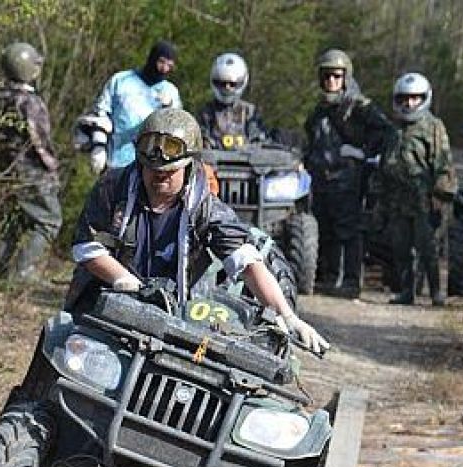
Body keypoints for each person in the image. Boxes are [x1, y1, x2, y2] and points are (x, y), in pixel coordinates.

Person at [63, 107, 329, 355]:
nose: (160, 177)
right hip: (105, 300)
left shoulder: (208, 209)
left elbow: (246, 261)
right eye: (152, 170)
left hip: (174, 311)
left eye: (169, 171)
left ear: (189, 164)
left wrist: (288, 316)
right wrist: (123, 280)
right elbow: (88, 247)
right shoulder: (113, 187)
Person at [303, 48, 393, 298]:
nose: (332, 81)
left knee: (349, 231)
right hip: (321, 180)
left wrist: (362, 153)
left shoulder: (359, 107)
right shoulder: (319, 110)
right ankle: (329, 278)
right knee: (326, 229)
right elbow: (310, 140)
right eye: (327, 76)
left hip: (349, 179)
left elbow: (386, 133)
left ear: (346, 77)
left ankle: (352, 281)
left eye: (337, 76)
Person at [378, 72, 457, 306]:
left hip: (425, 199)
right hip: (397, 200)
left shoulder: (433, 127)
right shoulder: (393, 129)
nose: (409, 104)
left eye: (415, 98)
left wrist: (440, 196)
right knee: (401, 248)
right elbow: (385, 162)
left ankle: (435, 292)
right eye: (405, 99)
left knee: (429, 248)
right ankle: (406, 291)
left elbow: (443, 163)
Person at [0, 42, 62, 282]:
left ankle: (0, 272)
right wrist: (52, 166)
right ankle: (23, 271)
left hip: (9, 171)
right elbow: (39, 141)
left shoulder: (0, 99)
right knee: (50, 221)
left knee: (15, 221)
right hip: (32, 172)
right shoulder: (29, 102)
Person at [87, 41, 182, 173]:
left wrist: (169, 108)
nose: (164, 68)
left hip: (149, 167)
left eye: (169, 65)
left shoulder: (170, 92)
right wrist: (99, 147)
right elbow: (101, 113)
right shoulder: (121, 81)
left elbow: (176, 129)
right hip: (115, 161)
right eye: (161, 62)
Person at [197, 53, 269, 150]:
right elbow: (201, 141)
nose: (227, 88)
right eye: (223, 83)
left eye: (232, 84)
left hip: (247, 163)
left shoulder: (250, 112)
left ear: (241, 82)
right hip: (214, 163)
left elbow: (258, 141)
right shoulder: (206, 112)